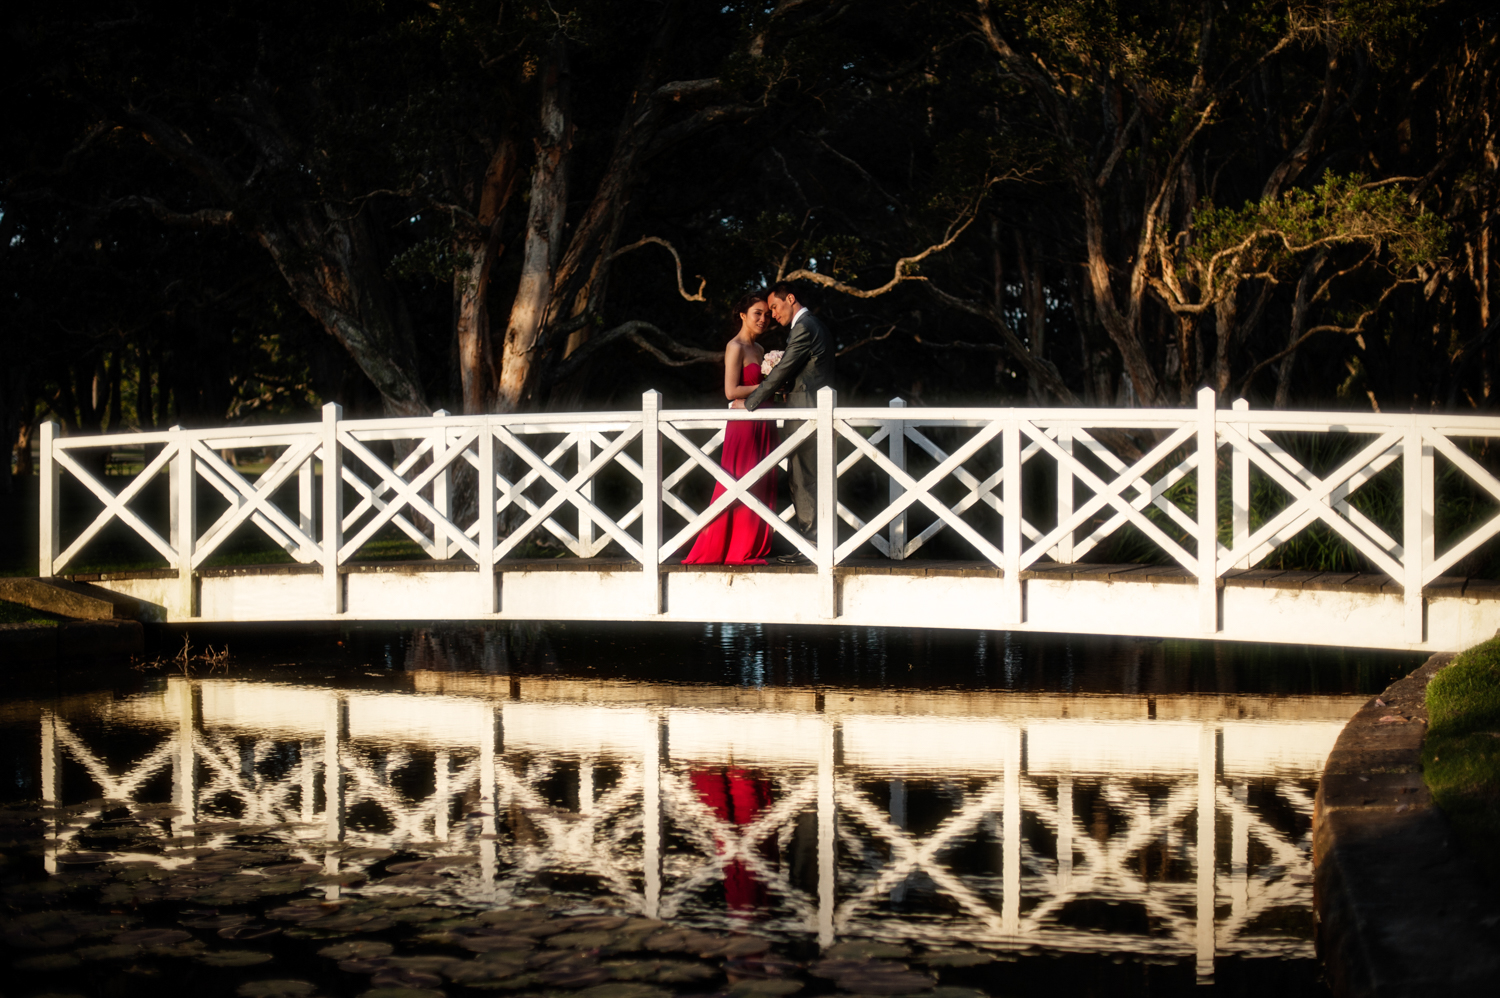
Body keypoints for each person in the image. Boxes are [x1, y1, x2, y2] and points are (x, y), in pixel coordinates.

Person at [730, 282, 834, 564]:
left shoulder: (804, 326)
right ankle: (819, 546)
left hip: (806, 413)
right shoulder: (815, 324)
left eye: (774, 307)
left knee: (803, 480)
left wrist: (750, 403)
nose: (772, 315)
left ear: (790, 298)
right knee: (810, 479)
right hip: (812, 411)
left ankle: (813, 547)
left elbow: (784, 370)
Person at [682, 291, 779, 565]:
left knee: (760, 481)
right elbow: (730, 390)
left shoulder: (761, 351)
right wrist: (766, 386)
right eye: (758, 313)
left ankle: (750, 545)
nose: (763, 319)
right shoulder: (735, 346)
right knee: (738, 480)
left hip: (765, 422)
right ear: (743, 315)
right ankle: (728, 547)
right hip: (745, 425)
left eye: (767, 315)